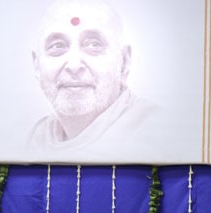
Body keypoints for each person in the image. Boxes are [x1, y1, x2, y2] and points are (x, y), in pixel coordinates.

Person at [28, 0, 158, 158]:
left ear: (124, 62)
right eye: (57, 46)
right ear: (36, 66)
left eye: (94, 45)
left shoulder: (159, 134)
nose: (74, 65)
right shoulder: (33, 141)